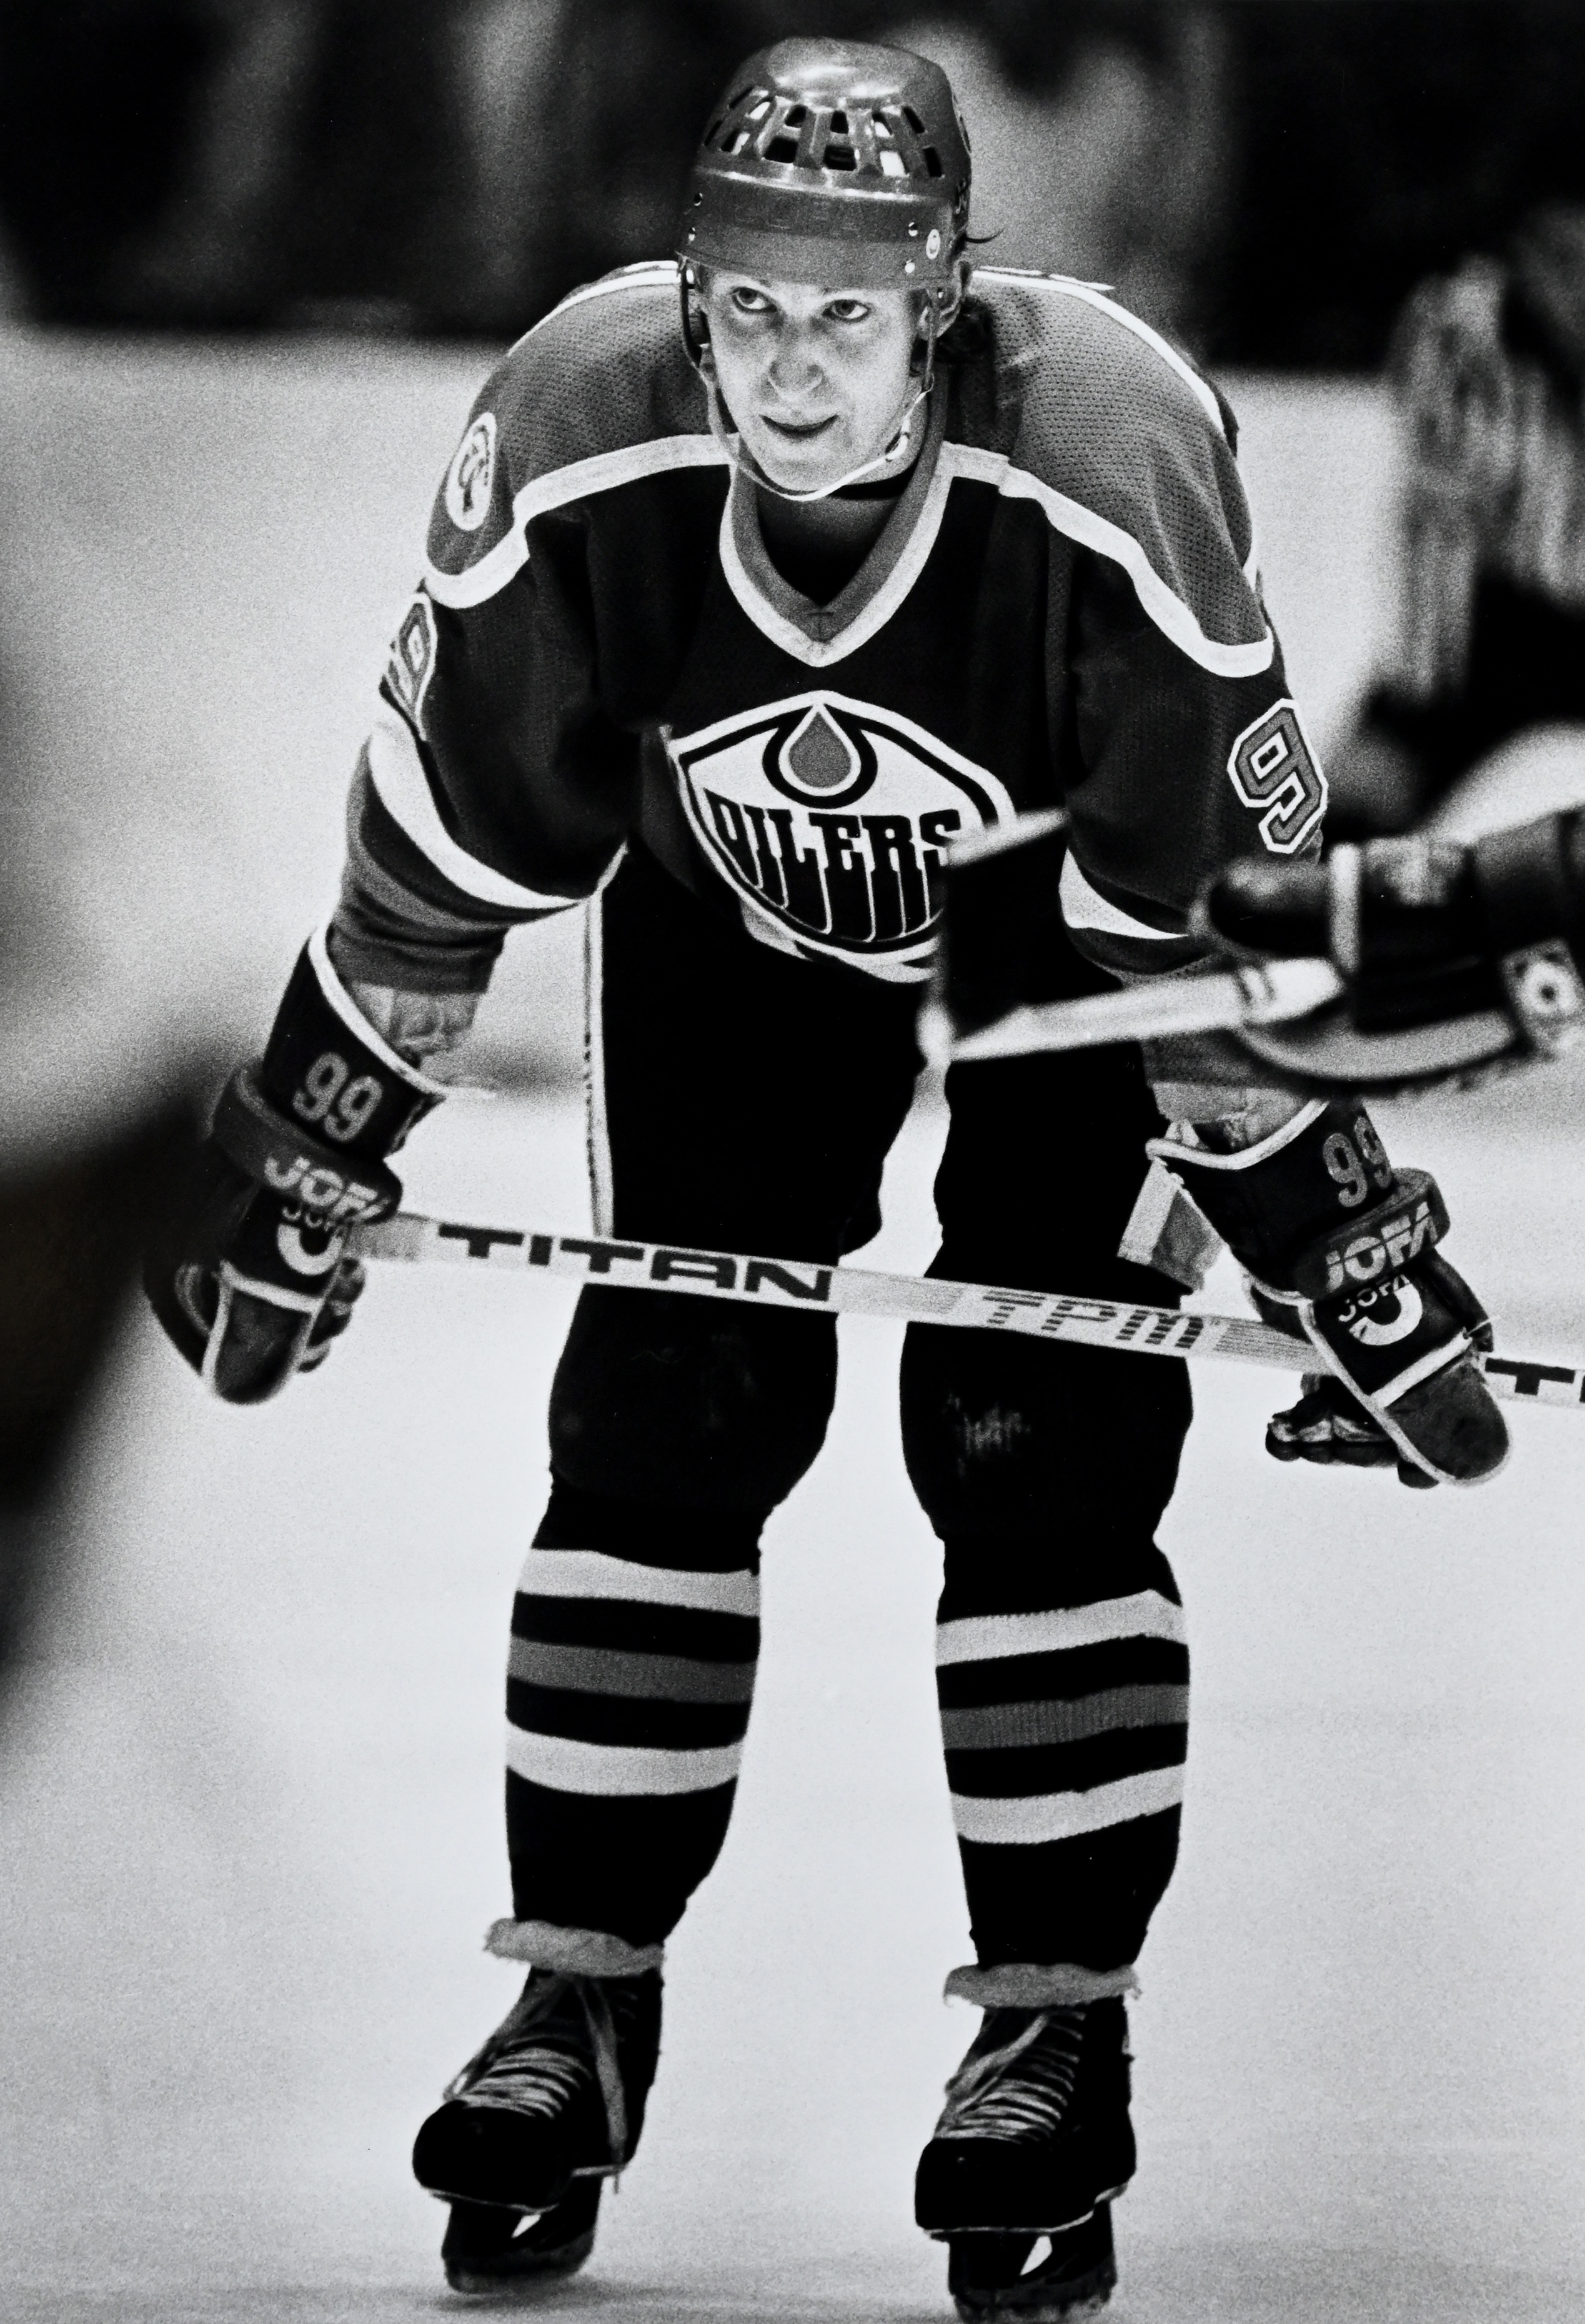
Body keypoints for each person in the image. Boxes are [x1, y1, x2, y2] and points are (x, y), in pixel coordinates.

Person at [143, 39, 1506, 2315]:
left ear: (942, 308)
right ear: (692, 301)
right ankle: (574, 1998)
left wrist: (1330, 1238)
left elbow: (1208, 948)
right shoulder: (581, 425)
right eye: (747, 309)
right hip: (719, 903)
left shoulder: (1111, 453)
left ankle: (1049, 2042)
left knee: (1034, 1440)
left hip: (1066, 947)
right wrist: (305, 1145)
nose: (787, 365)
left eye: (844, 316)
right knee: (662, 1415)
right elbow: (426, 884)